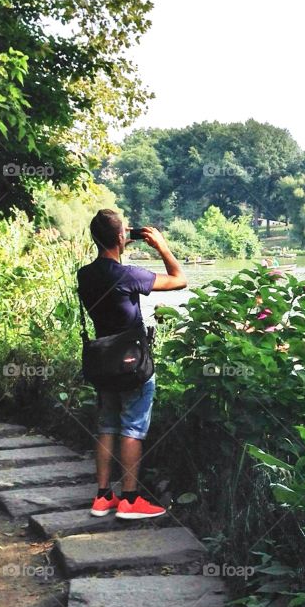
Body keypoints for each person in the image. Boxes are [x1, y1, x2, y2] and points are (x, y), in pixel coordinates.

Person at [77, 210, 187, 519]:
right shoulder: (128, 275)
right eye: (125, 232)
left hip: (102, 362)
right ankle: (130, 499)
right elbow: (180, 280)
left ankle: (102, 497)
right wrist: (162, 247)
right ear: (121, 238)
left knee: (107, 426)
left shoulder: (84, 275)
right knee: (133, 428)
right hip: (132, 364)